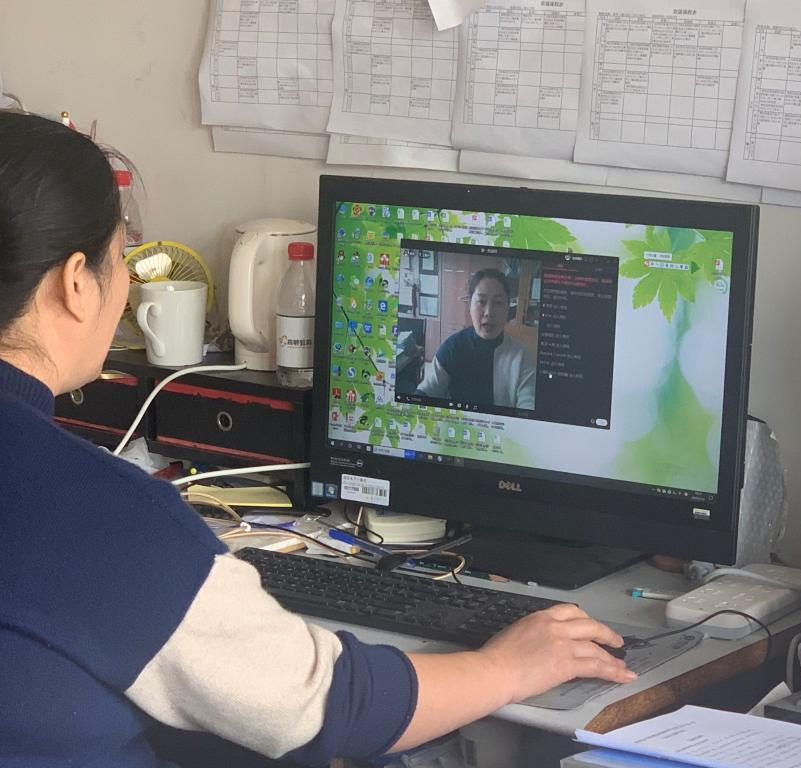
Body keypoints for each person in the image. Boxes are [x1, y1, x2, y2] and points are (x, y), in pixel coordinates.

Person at [0, 112, 634, 767]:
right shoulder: (97, 515)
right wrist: (508, 667)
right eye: (119, 260)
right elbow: (333, 707)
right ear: (75, 283)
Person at [416, 268, 536, 409]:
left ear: (508, 308)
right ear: (470, 306)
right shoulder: (452, 348)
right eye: (481, 301)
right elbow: (426, 391)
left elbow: (529, 403)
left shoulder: (522, 356)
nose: (488, 313)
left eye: (498, 303)